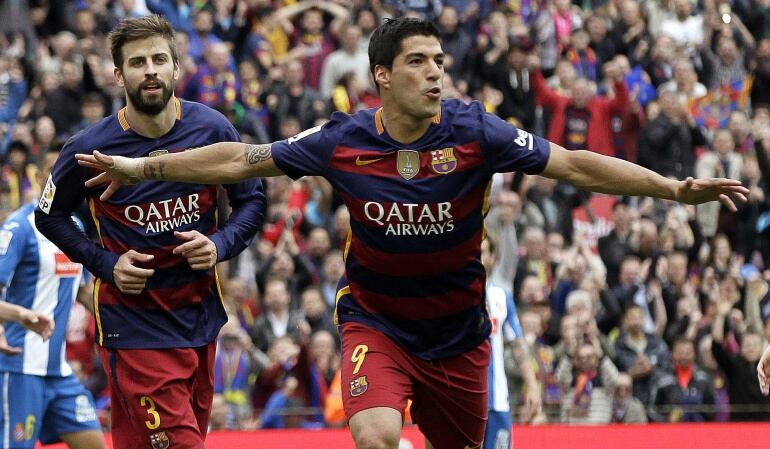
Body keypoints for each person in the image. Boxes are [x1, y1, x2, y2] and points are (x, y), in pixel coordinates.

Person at [77, 17, 748, 449]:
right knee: (375, 436)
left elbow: (572, 163)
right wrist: (146, 166)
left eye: (438, 61)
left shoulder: (476, 131)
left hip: (458, 335)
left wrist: (671, 188)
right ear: (383, 76)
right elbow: (241, 159)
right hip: (376, 322)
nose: (435, 73)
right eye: (420, 62)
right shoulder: (342, 140)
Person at [34, 15, 265, 449]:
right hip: (132, 325)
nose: (151, 70)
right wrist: (106, 264)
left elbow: (251, 200)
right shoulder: (87, 149)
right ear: (118, 75)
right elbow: (48, 216)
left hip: (199, 317)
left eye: (159, 59)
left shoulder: (213, 129)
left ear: (177, 66)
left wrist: (219, 244)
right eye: (138, 63)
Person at [0, 149, 104, 449]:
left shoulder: (75, 226)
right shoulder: (19, 228)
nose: (60, 176)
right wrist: (16, 318)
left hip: (59, 370)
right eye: (52, 169)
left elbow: (83, 291)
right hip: (20, 367)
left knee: (94, 444)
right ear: (39, 177)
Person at [481, 238, 541, 449]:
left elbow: (518, 345)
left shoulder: (501, 297)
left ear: (493, 258)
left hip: (497, 401)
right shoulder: (453, 298)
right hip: (461, 401)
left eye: (483, 252)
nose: (477, 258)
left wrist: (532, 386)